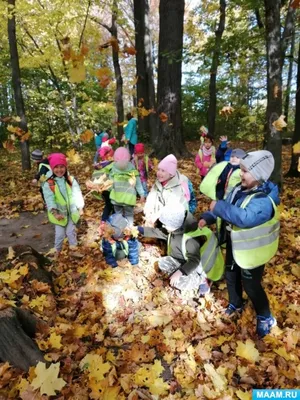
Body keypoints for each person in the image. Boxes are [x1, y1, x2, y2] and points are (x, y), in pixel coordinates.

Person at [198, 150, 280, 338]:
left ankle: (265, 316)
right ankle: (236, 303)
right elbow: (228, 207)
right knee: (231, 275)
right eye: (241, 170)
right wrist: (209, 216)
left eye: (245, 171)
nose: (240, 174)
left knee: (251, 284)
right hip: (235, 245)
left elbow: (244, 218)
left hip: (253, 253)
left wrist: (218, 206)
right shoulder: (237, 189)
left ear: (259, 175)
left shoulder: (263, 201)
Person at [138, 203, 224, 294]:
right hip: (180, 260)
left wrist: (180, 272)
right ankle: (178, 274)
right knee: (161, 263)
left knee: (179, 282)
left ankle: (202, 281)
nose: (163, 226)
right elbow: (156, 232)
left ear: (175, 224)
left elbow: (194, 261)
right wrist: (138, 230)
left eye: (166, 224)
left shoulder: (190, 238)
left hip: (195, 268)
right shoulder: (173, 229)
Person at [42, 153, 84, 255]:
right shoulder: (49, 183)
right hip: (58, 215)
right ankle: (57, 251)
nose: (59, 170)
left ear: (65, 167)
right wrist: (55, 212)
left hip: (71, 213)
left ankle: (74, 249)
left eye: (62, 167)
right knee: (60, 235)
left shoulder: (70, 179)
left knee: (71, 232)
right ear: (52, 168)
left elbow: (77, 193)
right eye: (56, 167)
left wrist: (80, 207)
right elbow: (49, 199)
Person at [144, 154, 195, 225]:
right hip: (163, 212)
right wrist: (148, 214)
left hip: (179, 214)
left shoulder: (178, 185)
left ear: (171, 174)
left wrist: (156, 216)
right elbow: (151, 199)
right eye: (158, 169)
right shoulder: (158, 183)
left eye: (163, 171)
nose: (159, 173)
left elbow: (172, 205)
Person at [100, 147, 145, 226]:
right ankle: (129, 230)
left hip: (117, 198)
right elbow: (138, 182)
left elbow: (110, 183)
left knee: (118, 215)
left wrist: (107, 189)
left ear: (115, 159)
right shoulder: (132, 168)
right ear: (128, 158)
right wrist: (142, 194)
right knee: (129, 215)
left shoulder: (113, 169)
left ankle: (119, 229)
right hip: (129, 198)